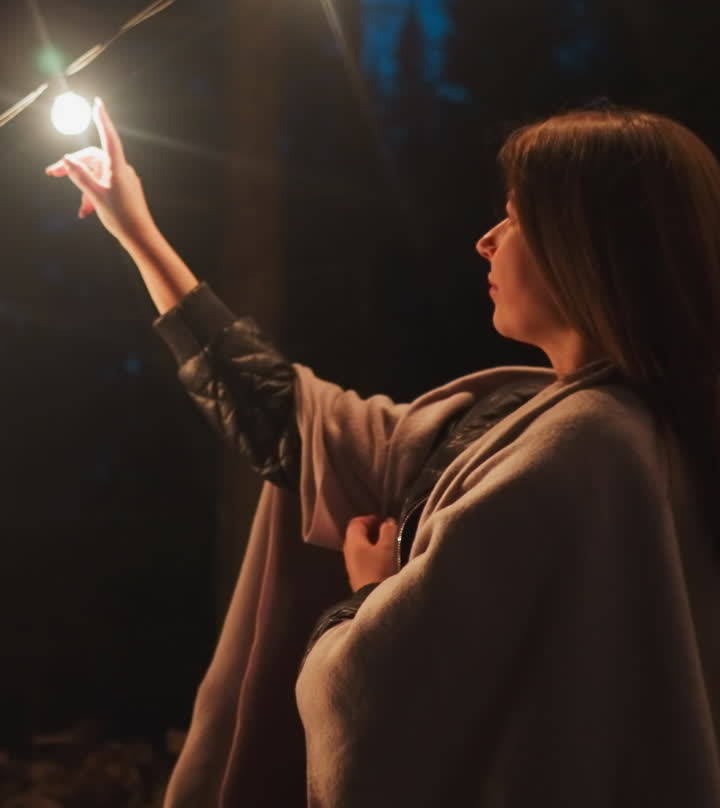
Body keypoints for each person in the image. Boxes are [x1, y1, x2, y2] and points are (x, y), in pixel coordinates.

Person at [46, 98, 720, 808]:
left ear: (585, 245)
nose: (487, 241)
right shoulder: (534, 422)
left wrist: (369, 599)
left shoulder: (586, 449)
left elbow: (380, 712)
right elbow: (290, 421)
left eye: (518, 218)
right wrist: (137, 231)